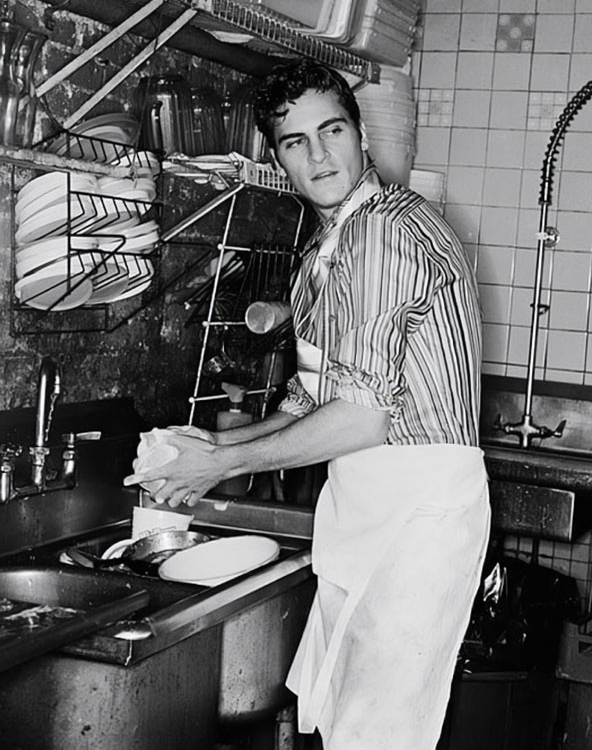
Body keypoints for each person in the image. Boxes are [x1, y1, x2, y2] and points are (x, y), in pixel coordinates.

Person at [125, 58, 491, 750]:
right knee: (344, 722)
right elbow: (308, 399)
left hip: (415, 511)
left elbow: (360, 414)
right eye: (297, 141)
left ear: (360, 134)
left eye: (333, 130)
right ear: (278, 157)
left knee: (376, 735)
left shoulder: (385, 231)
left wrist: (221, 460)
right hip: (365, 504)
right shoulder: (327, 250)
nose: (320, 154)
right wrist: (207, 449)